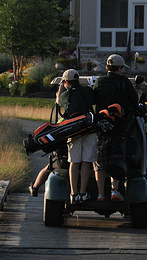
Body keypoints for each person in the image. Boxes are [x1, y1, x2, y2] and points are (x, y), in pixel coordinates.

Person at [93, 54, 139, 202]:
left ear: (107, 67)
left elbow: (94, 100)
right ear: (120, 68)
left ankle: (100, 194)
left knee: (100, 161)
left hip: (102, 128)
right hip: (119, 129)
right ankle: (115, 190)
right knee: (116, 158)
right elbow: (134, 101)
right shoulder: (124, 82)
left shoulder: (100, 81)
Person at [56, 69, 97, 204]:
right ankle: (83, 192)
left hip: (74, 131)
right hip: (89, 129)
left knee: (74, 161)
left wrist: (61, 87)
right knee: (86, 161)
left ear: (66, 82)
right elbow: (94, 99)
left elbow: (58, 102)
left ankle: (73, 193)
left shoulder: (66, 95)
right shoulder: (86, 91)